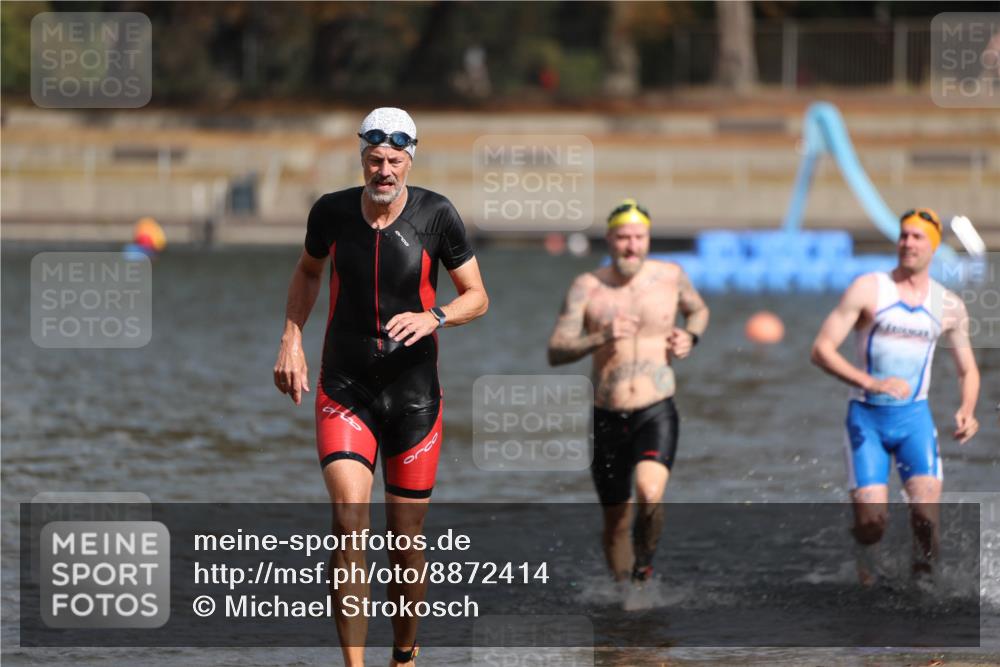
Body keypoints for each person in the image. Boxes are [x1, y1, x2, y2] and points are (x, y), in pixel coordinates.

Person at [273, 107, 488, 667]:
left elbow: (477, 295)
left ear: (409, 158)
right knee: (348, 520)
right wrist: (291, 338)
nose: (384, 170)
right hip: (345, 388)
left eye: (394, 159)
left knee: (405, 543)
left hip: (414, 398)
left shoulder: (437, 215)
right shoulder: (332, 212)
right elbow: (307, 271)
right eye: (374, 160)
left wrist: (435, 316)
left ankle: (404, 653)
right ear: (362, 159)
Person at [811, 207, 980, 584]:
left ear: (933, 246)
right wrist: (871, 383)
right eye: (903, 235)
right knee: (873, 526)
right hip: (867, 418)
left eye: (917, 237)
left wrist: (968, 409)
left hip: (913, 420)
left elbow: (967, 369)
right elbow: (821, 349)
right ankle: (863, 560)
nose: (907, 242)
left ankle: (923, 587)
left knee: (925, 517)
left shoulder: (948, 305)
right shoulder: (870, 288)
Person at [547, 199, 709, 586]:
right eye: (623, 238)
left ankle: (644, 570)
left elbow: (698, 310)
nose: (631, 246)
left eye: (639, 237)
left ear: (648, 239)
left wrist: (690, 336)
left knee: (650, 492)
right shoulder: (587, 287)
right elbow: (556, 350)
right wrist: (602, 336)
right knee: (616, 521)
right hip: (606, 414)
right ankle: (627, 599)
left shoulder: (671, 277)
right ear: (609, 239)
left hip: (655, 408)